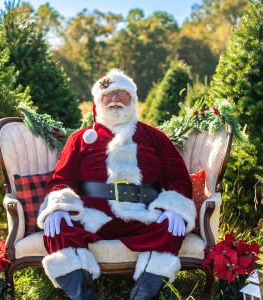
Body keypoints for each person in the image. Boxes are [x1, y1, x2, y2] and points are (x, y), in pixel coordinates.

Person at [37, 69, 196, 300]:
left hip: (142, 217)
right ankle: (82, 293)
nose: (114, 100)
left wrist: (174, 207)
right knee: (58, 226)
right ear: (98, 102)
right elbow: (61, 179)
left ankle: (143, 294)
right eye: (108, 95)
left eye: (122, 94)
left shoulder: (154, 136)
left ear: (133, 99)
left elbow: (178, 177)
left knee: (171, 227)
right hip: (91, 217)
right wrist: (58, 205)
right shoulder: (79, 139)